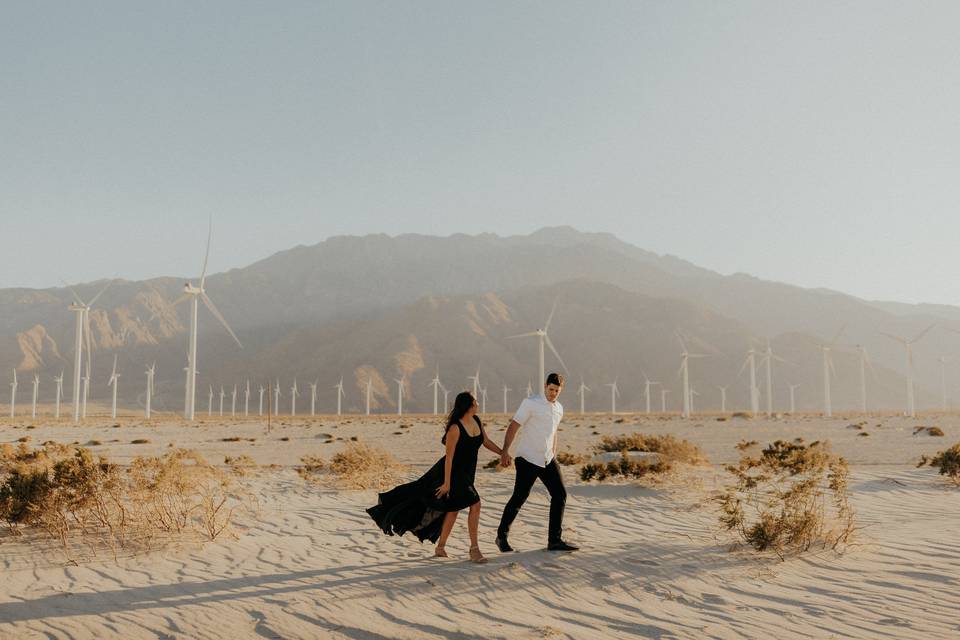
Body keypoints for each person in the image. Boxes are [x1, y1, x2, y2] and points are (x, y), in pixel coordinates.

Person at [367, 391, 504, 562]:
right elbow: (449, 458)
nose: (478, 404)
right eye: (476, 401)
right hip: (453, 473)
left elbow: (486, 441)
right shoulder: (455, 428)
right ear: (468, 405)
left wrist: (502, 453)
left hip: (468, 473)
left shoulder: (476, 421)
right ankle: (474, 549)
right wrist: (446, 483)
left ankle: (440, 547)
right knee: (475, 504)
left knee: (453, 509)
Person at [496, 372, 579, 552]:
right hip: (527, 458)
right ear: (545, 386)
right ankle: (501, 536)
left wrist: (554, 453)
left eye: (557, 391)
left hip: (547, 459)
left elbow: (554, 431)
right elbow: (514, 426)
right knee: (520, 497)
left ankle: (554, 541)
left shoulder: (559, 408)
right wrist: (505, 451)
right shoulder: (531, 403)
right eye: (551, 389)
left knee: (560, 495)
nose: (553, 393)